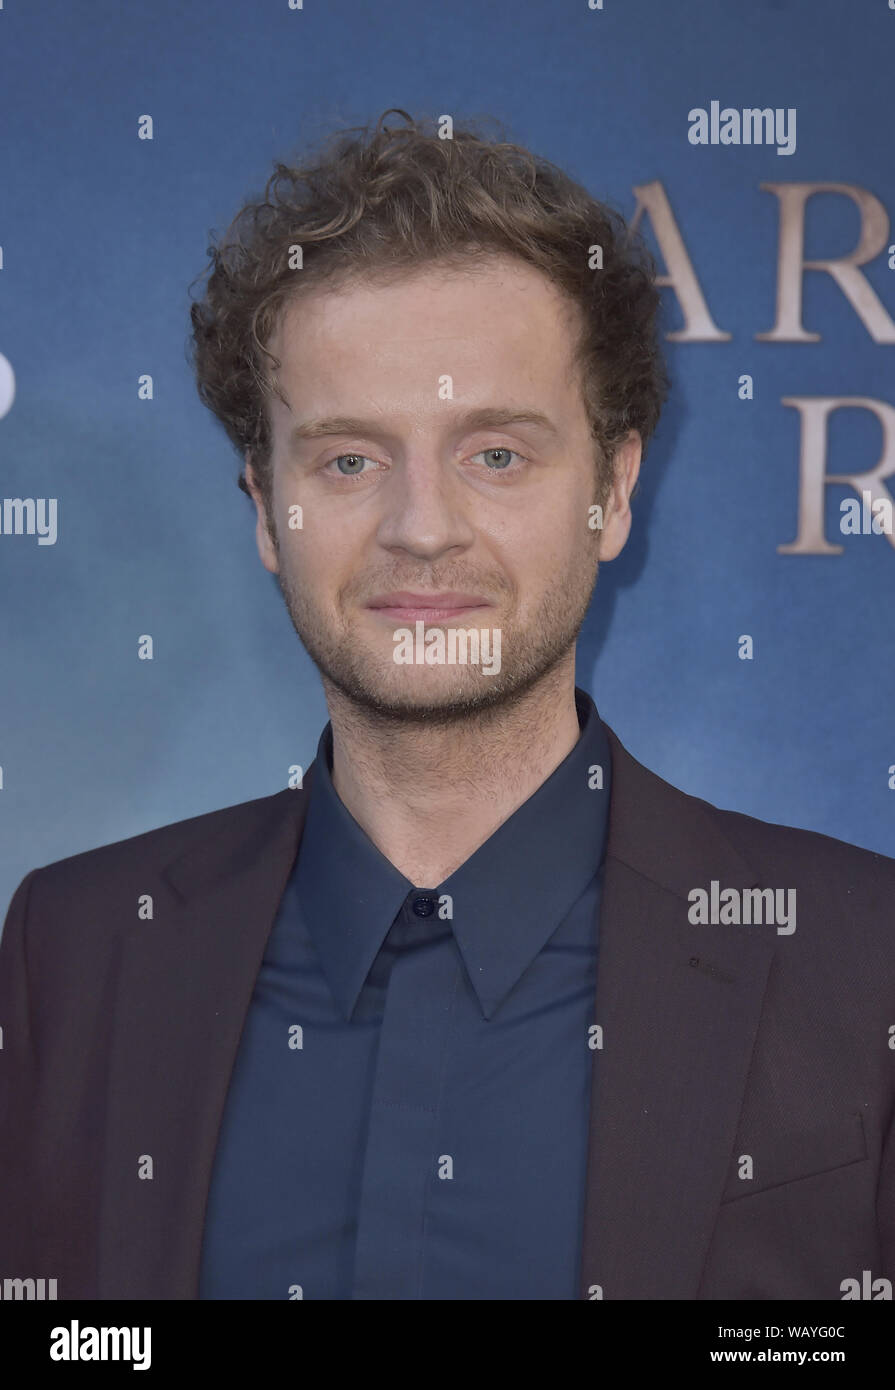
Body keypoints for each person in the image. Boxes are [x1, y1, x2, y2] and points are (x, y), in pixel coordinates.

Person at [1, 110, 893, 1301]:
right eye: (350, 460)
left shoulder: (856, 957)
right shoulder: (76, 953)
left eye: (496, 455)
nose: (422, 527)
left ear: (613, 493)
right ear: (268, 511)